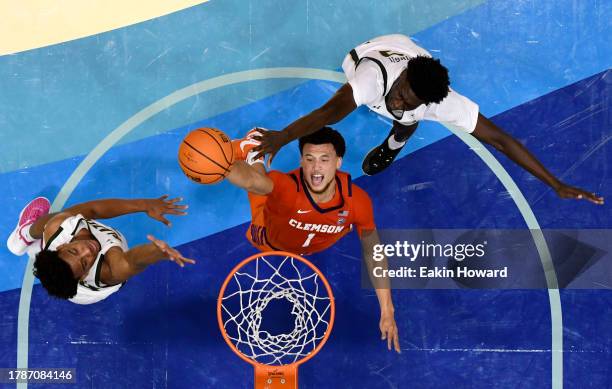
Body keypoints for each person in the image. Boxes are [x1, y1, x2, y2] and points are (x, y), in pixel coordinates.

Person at [252, 34, 603, 205]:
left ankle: (394, 142)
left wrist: (554, 183)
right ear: (403, 78)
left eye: (413, 99)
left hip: (417, 69)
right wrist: (282, 137)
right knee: (393, 108)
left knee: (408, 118)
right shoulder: (371, 78)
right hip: (373, 51)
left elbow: (501, 139)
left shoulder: (438, 101)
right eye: (404, 93)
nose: (402, 99)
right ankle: (400, 129)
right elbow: (328, 113)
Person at [228, 126, 400, 353]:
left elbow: (373, 252)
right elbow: (250, 181)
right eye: (309, 159)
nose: (316, 167)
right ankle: (253, 152)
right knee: (259, 186)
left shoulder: (358, 202)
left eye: (324, 159)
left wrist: (387, 310)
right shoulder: (286, 187)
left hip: (312, 243)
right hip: (268, 237)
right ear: (301, 162)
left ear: (338, 162)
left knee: (349, 225)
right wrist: (219, 165)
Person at [6, 195, 194, 305]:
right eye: (85, 262)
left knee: (50, 224)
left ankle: (24, 235)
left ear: (62, 246)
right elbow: (132, 261)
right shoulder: (110, 269)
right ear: (82, 275)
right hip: (84, 292)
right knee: (49, 237)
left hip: (61, 265)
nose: (87, 251)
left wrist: (145, 205)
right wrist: (157, 252)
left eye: (74, 251)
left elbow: (93, 210)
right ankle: (28, 243)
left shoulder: (58, 230)